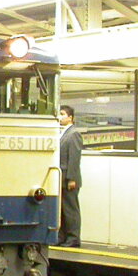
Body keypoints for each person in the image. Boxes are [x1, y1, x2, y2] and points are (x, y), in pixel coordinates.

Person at [58, 104, 83, 247]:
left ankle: (73, 238)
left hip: (69, 179)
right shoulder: (63, 133)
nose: (60, 117)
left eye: (62, 114)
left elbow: (74, 158)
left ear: (70, 117)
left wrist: (72, 178)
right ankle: (62, 236)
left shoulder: (74, 134)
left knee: (70, 209)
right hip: (61, 178)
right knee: (62, 209)